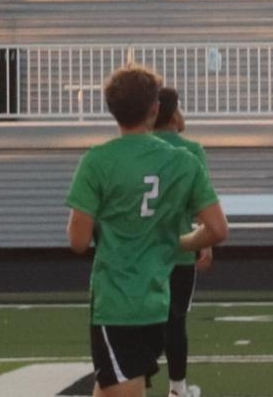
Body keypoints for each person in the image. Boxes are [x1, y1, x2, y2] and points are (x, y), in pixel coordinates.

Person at [69, 68, 216, 397]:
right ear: (154, 109)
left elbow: (78, 241)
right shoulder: (184, 159)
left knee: (124, 385)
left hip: (117, 299)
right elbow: (217, 228)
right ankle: (178, 386)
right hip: (156, 298)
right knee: (109, 384)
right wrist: (180, 241)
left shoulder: (97, 161)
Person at [152, 88, 213, 397]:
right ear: (174, 113)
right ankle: (177, 388)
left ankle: (136, 383)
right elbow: (203, 206)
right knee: (175, 321)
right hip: (178, 249)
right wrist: (206, 242)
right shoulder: (191, 151)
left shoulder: (137, 148)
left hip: (139, 252)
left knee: (141, 321)